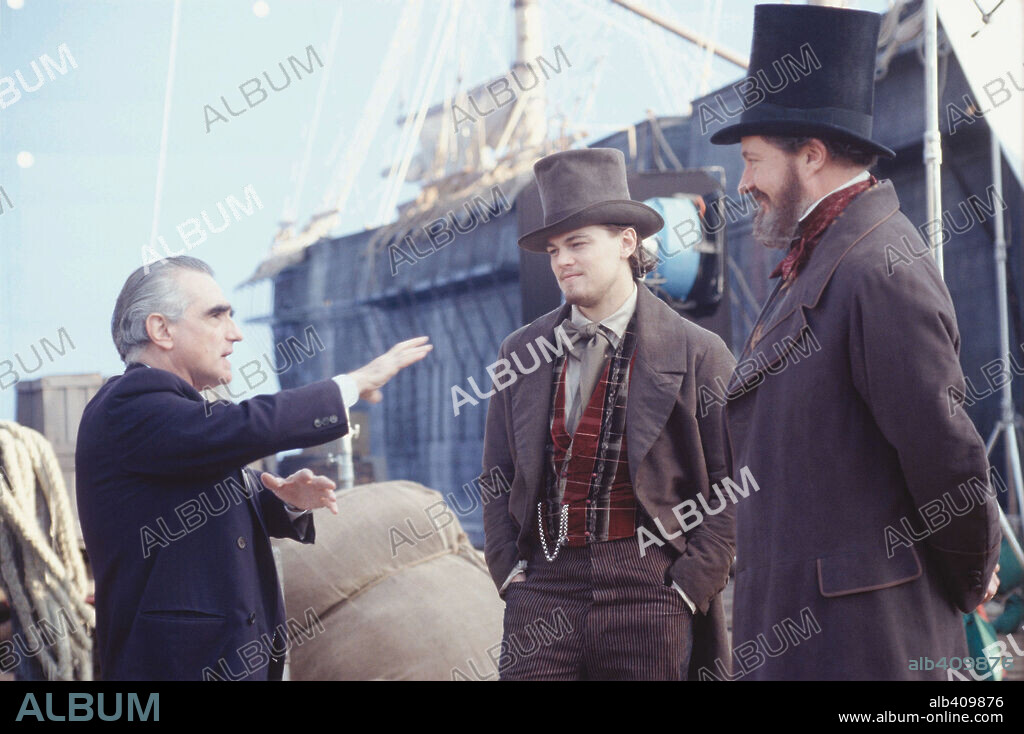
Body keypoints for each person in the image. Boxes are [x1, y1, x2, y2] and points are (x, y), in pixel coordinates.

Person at [708, 3, 1001, 680]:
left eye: (752, 161)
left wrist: (965, 583)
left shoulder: (876, 270)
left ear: (809, 155)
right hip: (818, 635)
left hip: (863, 645)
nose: (744, 182)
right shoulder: (827, 259)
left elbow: (946, 454)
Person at [76, 255, 430, 680]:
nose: (236, 334)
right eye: (216, 316)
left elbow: (199, 503)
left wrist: (284, 503)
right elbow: (239, 428)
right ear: (161, 330)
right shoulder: (130, 403)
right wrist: (349, 385)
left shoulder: (180, 420)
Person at [479, 148, 736, 680]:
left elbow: (735, 485)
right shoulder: (519, 352)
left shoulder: (698, 352)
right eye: (553, 249)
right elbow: (497, 477)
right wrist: (507, 570)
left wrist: (689, 586)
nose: (562, 261)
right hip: (544, 586)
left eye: (577, 243)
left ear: (626, 243)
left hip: (650, 589)